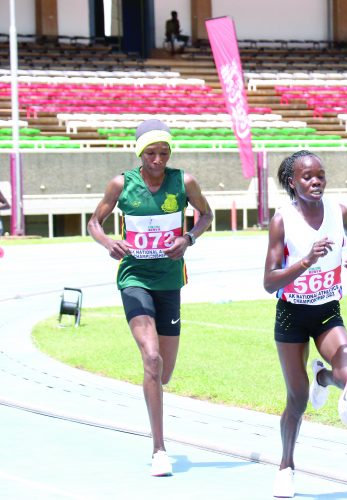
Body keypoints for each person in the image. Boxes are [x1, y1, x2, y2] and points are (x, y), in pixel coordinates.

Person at [87, 119, 213, 477]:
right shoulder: (121, 185)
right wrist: (108, 242)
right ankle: (159, 449)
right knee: (152, 359)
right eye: (151, 152)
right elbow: (94, 222)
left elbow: (206, 215)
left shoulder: (183, 182)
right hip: (134, 278)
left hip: (170, 281)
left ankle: (151, 386)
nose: (158, 159)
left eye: (164, 152)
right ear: (140, 153)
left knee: (164, 373)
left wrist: (188, 238)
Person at [263, 150, 347, 498]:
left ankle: (325, 377)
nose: (316, 182)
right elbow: (269, 282)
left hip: (327, 310)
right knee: (297, 400)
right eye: (307, 177)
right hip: (291, 315)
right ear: (291, 182)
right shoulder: (282, 221)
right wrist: (307, 261)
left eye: (321, 175)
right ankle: (286, 465)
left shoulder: (339, 210)